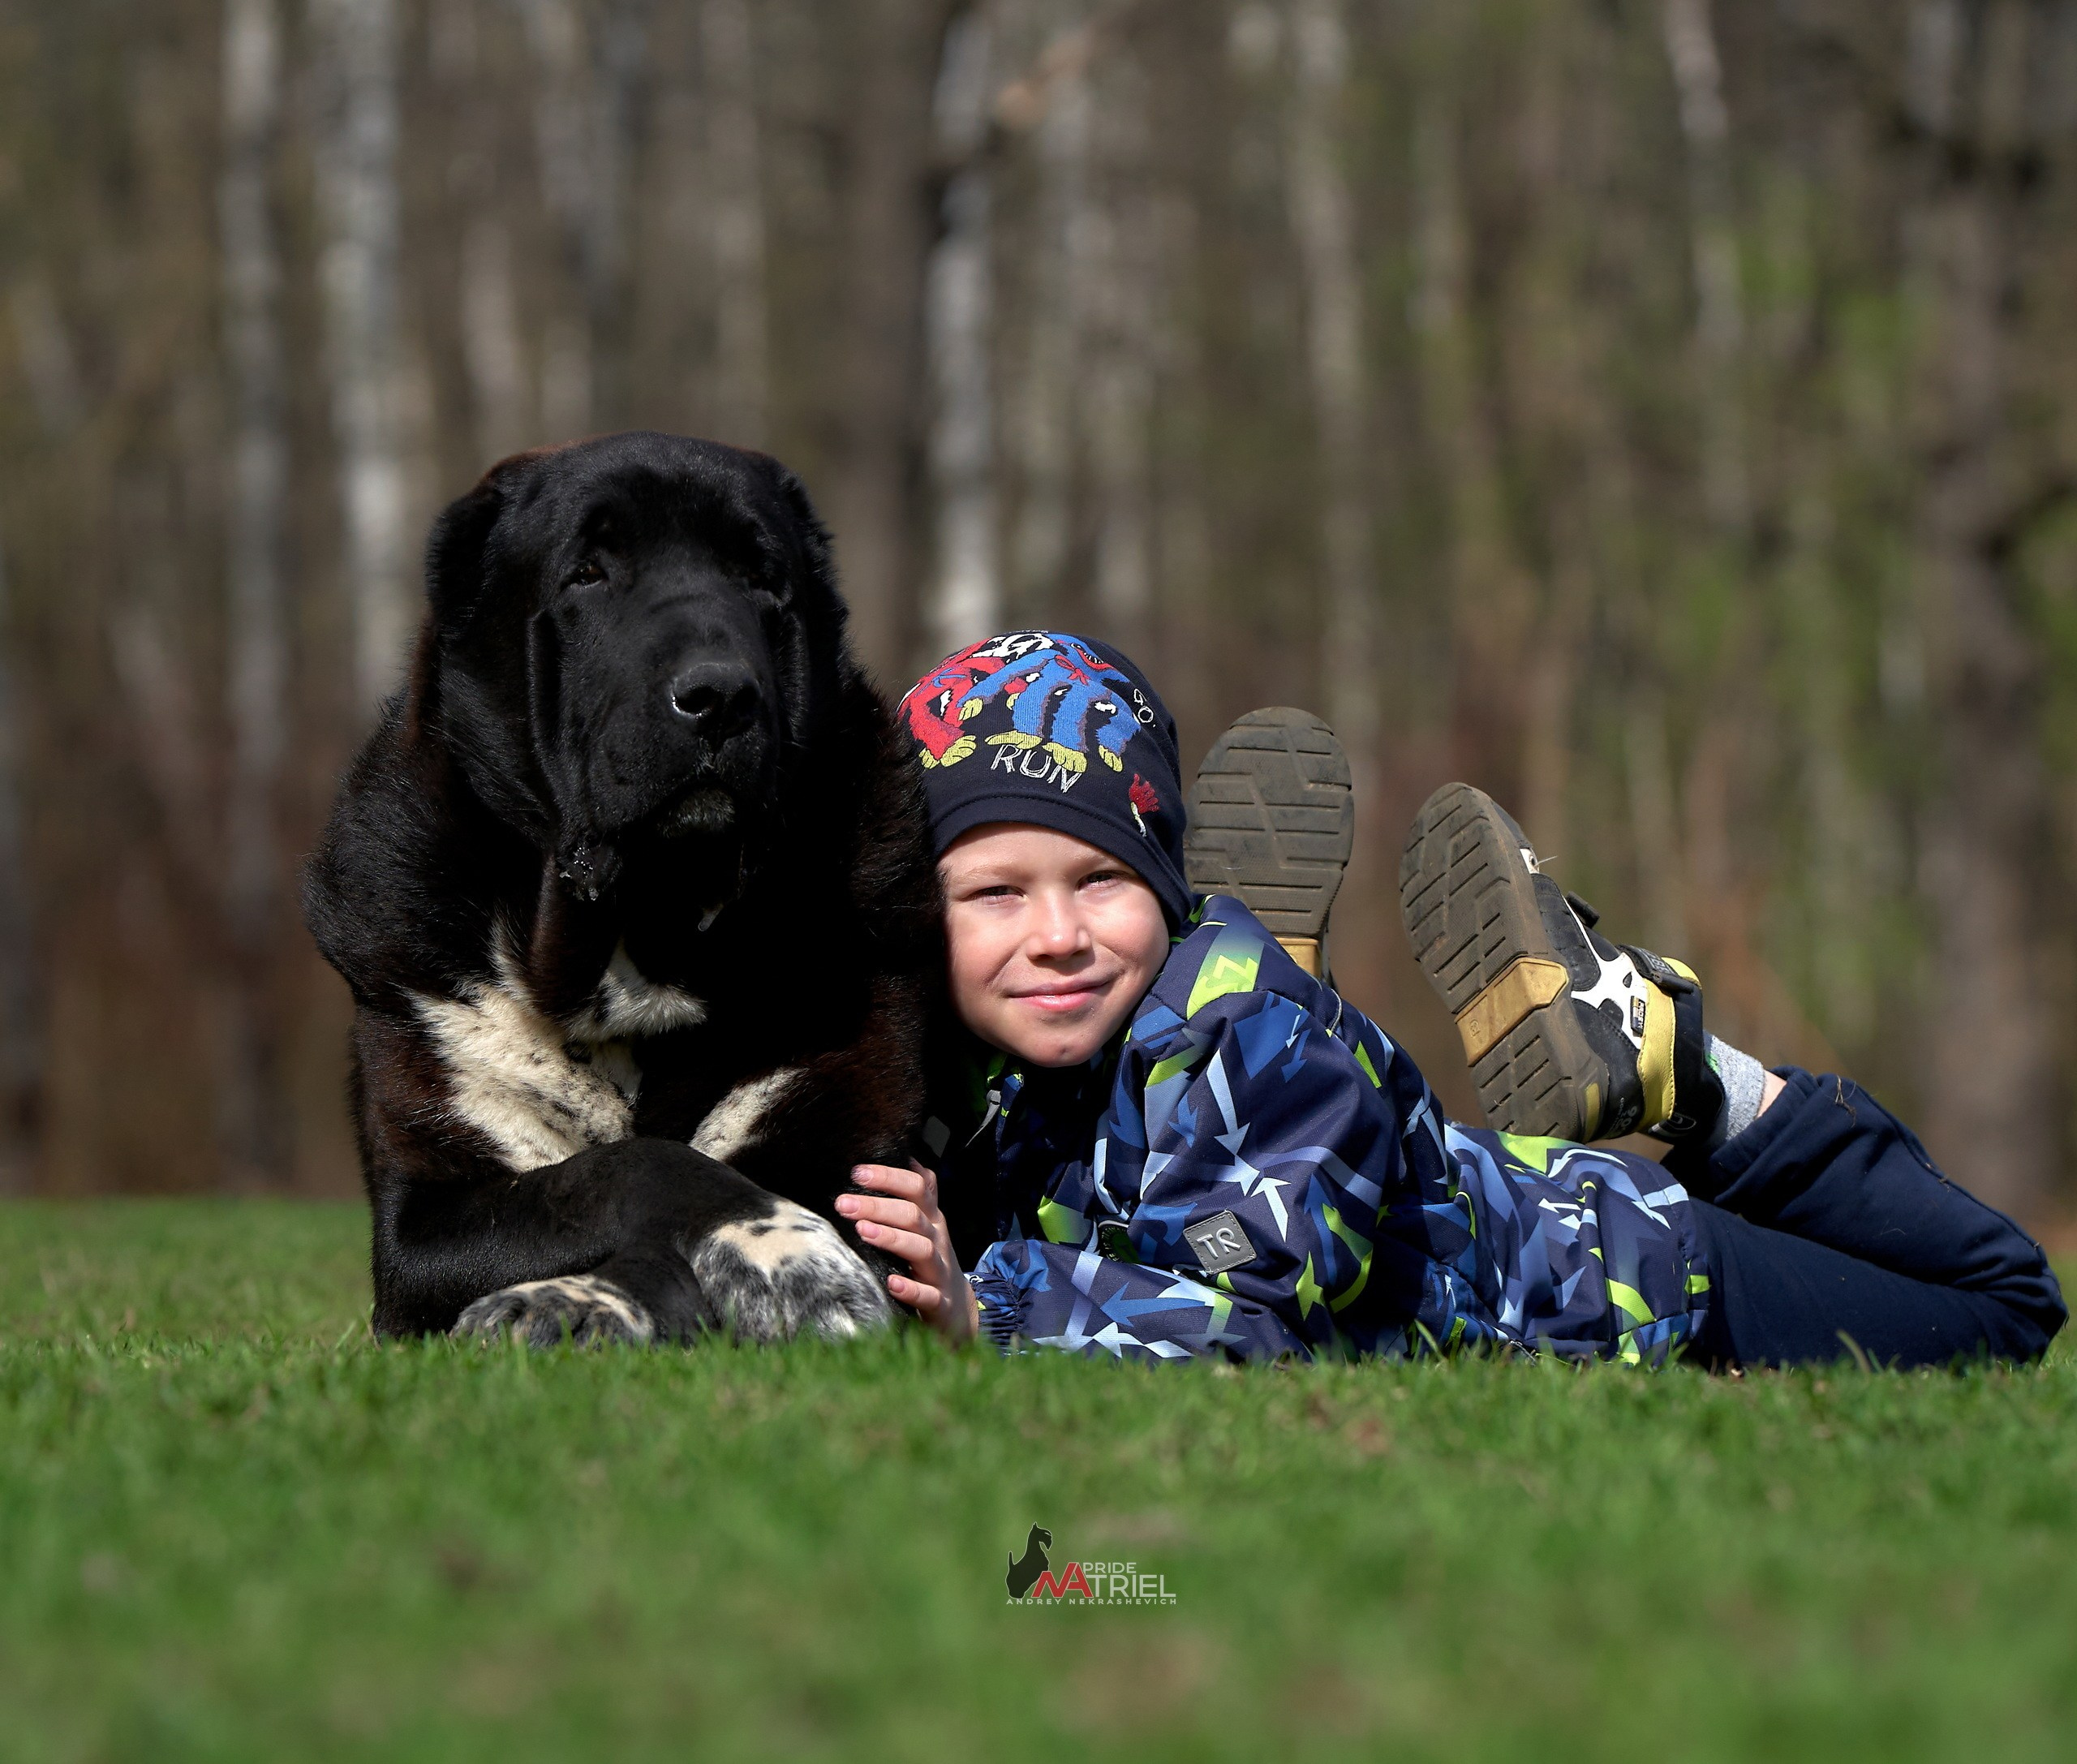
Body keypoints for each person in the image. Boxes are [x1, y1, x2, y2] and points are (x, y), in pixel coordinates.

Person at [838, 630, 2065, 1369]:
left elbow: (1255, 1330)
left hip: (1633, 1279)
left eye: (1100, 878)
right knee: (1267, 1100)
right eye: (993, 892)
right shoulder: (956, 1063)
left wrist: (987, 1303)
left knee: (2005, 1307)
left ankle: (1684, 1069)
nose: (1054, 935)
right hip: (1412, 1177)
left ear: (1167, 881)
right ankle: (1310, 1105)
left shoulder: (1240, 1040)